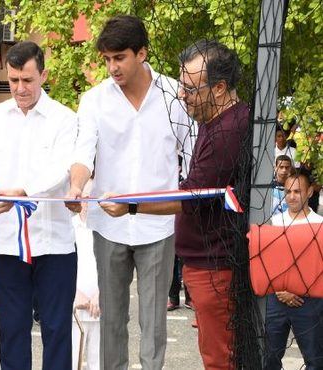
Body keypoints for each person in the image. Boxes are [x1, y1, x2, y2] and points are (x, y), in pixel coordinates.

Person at [98, 39, 249, 369]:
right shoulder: (214, 123)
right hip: (206, 261)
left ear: (220, 88)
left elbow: (193, 197)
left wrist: (132, 205)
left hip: (216, 265)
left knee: (220, 357)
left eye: (191, 89)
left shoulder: (229, 130)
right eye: (181, 86)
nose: (182, 95)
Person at [67, 15, 193, 370]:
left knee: (154, 323)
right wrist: (76, 186)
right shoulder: (94, 100)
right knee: (111, 322)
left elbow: (195, 153)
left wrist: (187, 201)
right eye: (106, 59)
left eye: (119, 57)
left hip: (158, 226)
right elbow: (82, 153)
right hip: (109, 229)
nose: (112, 67)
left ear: (142, 53)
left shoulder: (174, 96)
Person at [0, 41, 77, 370]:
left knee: (56, 329)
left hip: (55, 242)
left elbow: (61, 170)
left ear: (43, 75)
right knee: (12, 329)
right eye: (13, 81)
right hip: (9, 243)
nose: (20, 88)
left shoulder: (64, 119)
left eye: (27, 80)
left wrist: (22, 192)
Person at [265, 171, 323, 369]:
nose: (291, 196)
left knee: (315, 360)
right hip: (277, 298)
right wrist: (280, 290)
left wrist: (299, 289)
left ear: (309, 193)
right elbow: (267, 263)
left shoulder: (320, 225)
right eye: (288, 191)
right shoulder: (274, 222)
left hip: (310, 301)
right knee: (269, 358)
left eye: (297, 191)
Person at [71, 182, 100, 370]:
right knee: (72, 361)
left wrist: (100, 294)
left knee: (97, 362)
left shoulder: (103, 228)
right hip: (73, 306)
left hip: (99, 306)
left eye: (92, 197)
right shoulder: (69, 226)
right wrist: (75, 294)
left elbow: (111, 265)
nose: (87, 202)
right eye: (84, 197)